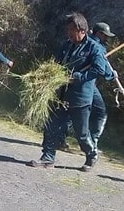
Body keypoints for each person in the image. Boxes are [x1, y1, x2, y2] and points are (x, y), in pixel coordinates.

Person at [29, 12, 109, 171]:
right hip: (61, 94)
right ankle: (48, 157)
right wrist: (49, 75)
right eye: (68, 31)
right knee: (51, 125)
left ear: (82, 30)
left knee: (82, 134)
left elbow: (99, 70)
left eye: (72, 31)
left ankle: (91, 154)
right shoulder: (66, 45)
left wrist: (79, 76)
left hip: (80, 97)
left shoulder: (94, 48)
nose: (69, 34)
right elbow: (58, 63)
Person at [88, 21, 118, 154]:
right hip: (88, 84)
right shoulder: (98, 47)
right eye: (105, 35)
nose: (107, 38)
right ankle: (92, 143)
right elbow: (103, 70)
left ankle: (60, 139)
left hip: (73, 81)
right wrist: (112, 75)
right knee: (100, 112)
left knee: (73, 111)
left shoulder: (84, 41)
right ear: (99, 33)